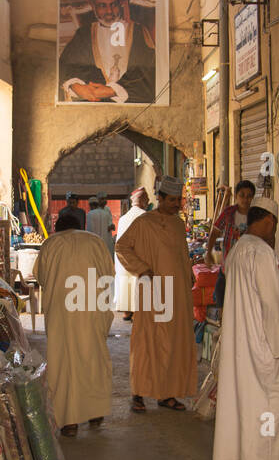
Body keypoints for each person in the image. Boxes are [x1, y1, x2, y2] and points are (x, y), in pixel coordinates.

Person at [213, 198, 279, 460]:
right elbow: (271, 302)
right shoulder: (261, 252)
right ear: (270, 221)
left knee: (251, 403)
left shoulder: (238, 249)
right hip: (263, 342)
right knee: (272, 403)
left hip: (243, 342)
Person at [115, 174, 197, 413]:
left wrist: (189, 274)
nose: (176, 204)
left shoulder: (178, 224)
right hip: (153, 292)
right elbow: (121, 246)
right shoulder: (144, 222)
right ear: (160, 198)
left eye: (178, 200)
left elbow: (181, 256)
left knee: (174, 344)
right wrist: (142, 269)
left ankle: (167, 395)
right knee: (146, 343)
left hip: (177, 294)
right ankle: (138, 395)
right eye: (172, 200)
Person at [33, 215, 114, 436]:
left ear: (58, 229)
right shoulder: (95, 241)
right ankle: (95, 412)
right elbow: (109, 274)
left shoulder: (51, 243)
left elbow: (40, 276)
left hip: (62, 313)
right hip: (92, 308)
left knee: (64, 362)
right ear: (80, 227)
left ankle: (69, 422)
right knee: (93, 357)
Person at [59, 0, 156, 104]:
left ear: (120, 5)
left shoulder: (137, 31)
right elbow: (68, 66)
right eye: (102, 6)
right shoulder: (84, 34)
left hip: (130, 98)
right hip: (94, 100)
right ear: (94, 7)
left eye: (113, 5)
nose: (109, 11)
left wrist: (113, 90)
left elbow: (146, 70)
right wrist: (76, 86)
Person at [205, 180, 255, 308]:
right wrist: (208, 252)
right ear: (236, 196)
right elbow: (215, 232)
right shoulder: (228, 213)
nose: (245, 199)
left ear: (253, 198)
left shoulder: (255, 216)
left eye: (249, 196)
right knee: (222, 300)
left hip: (248, 270)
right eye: (242, 195)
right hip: (227, 268)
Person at [114, 186, 149, 319]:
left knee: (125, 284)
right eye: (147, 199)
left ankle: (127, 312)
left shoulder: (123, 218)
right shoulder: (144, 216)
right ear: (143, 200)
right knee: (137, 283)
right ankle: (137, 312)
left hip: (123, 260)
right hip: (138, 258)